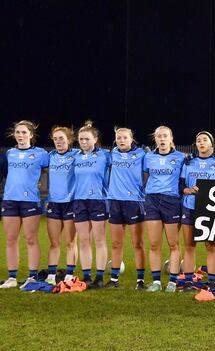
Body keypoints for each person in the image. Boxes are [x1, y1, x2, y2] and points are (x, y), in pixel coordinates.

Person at [1, 120, 49, 289]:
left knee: (31, 239)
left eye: (24, 132)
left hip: (30, 201)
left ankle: (32, 277)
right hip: (10, 200)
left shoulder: (41, 154)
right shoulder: (10, 153)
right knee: (11, 239)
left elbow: (54, 169)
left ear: (31, 135)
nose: (20, 135)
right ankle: (12, 277)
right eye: (18, 132)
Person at [142, 125, 185, 292]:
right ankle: (156, 282)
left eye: (165, 136)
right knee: (154, 244)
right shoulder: (148, 157)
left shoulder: (181, 157)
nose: (161, 139)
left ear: (171, 138)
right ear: (155, 139)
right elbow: (146, 176)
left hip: (172, 201)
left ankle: (173, 282)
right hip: (152, 200)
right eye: (159, 136)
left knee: (173, 244)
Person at [180, 131, 215, 290]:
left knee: (210, 245)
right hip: (190, 207)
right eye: (198, 140)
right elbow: (181, 186)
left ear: (211, 144)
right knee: (189, 245)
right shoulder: (188, 162)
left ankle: (212, 280)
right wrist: (187, 190)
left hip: (210, 209)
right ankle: (188, 280)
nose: (201, 143)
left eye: (205, 140)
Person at [71, 121, 112, 288]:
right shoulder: (75, 156)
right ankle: (86, 275)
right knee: (83, 240)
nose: (84, 142)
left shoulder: (106, 155)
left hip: (99, 201)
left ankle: (100, 277)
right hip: (79, 201)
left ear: (95, 139)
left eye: (87, 139)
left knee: (100, 240)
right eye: (81, 139)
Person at [107, 127, 147, 289]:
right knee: (116, 244)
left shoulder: (142, 155)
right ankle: (114, 280)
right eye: (118, 138)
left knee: (137, 244)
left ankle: (140, 281)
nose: (121, 140)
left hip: (134, 203)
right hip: (115, 202)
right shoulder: (112, 154)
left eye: (125, 137)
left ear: (131, 139)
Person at [44, 126, 79, 285]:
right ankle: (51, 275)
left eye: (61, 139)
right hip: (53, 203)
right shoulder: (50, 156)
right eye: (56, 139)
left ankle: (69, 274)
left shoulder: (76, 155)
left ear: (69, 140)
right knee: (54, 242)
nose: (58, 142)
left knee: (71, 242)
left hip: (71, 203)